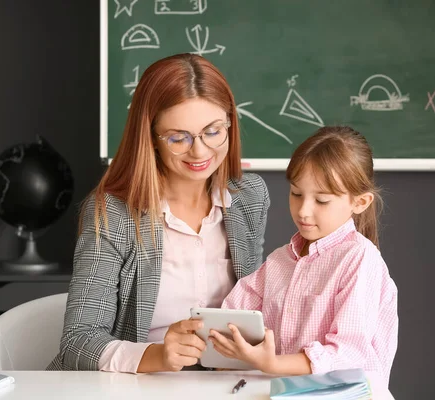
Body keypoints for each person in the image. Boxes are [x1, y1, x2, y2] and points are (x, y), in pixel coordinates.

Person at [46, 53, 270, 373]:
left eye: (213, 131)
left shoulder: (249, 197)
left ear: (230, 124)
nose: (200, 151)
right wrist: (158, 354)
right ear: (151, 138)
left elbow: (255, 304)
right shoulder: (114, 214)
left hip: (221, 383)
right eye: (178, 137)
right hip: (135, 387)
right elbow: (78, 341)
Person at [210, 126, 398, 384]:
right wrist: (225, 348)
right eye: (296, 194)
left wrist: (273, 364)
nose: (303, 211)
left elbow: (350, 354)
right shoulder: (279, 261)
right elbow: (233, 314)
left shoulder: (360, 259)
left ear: (360, 202)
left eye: (321, 200)